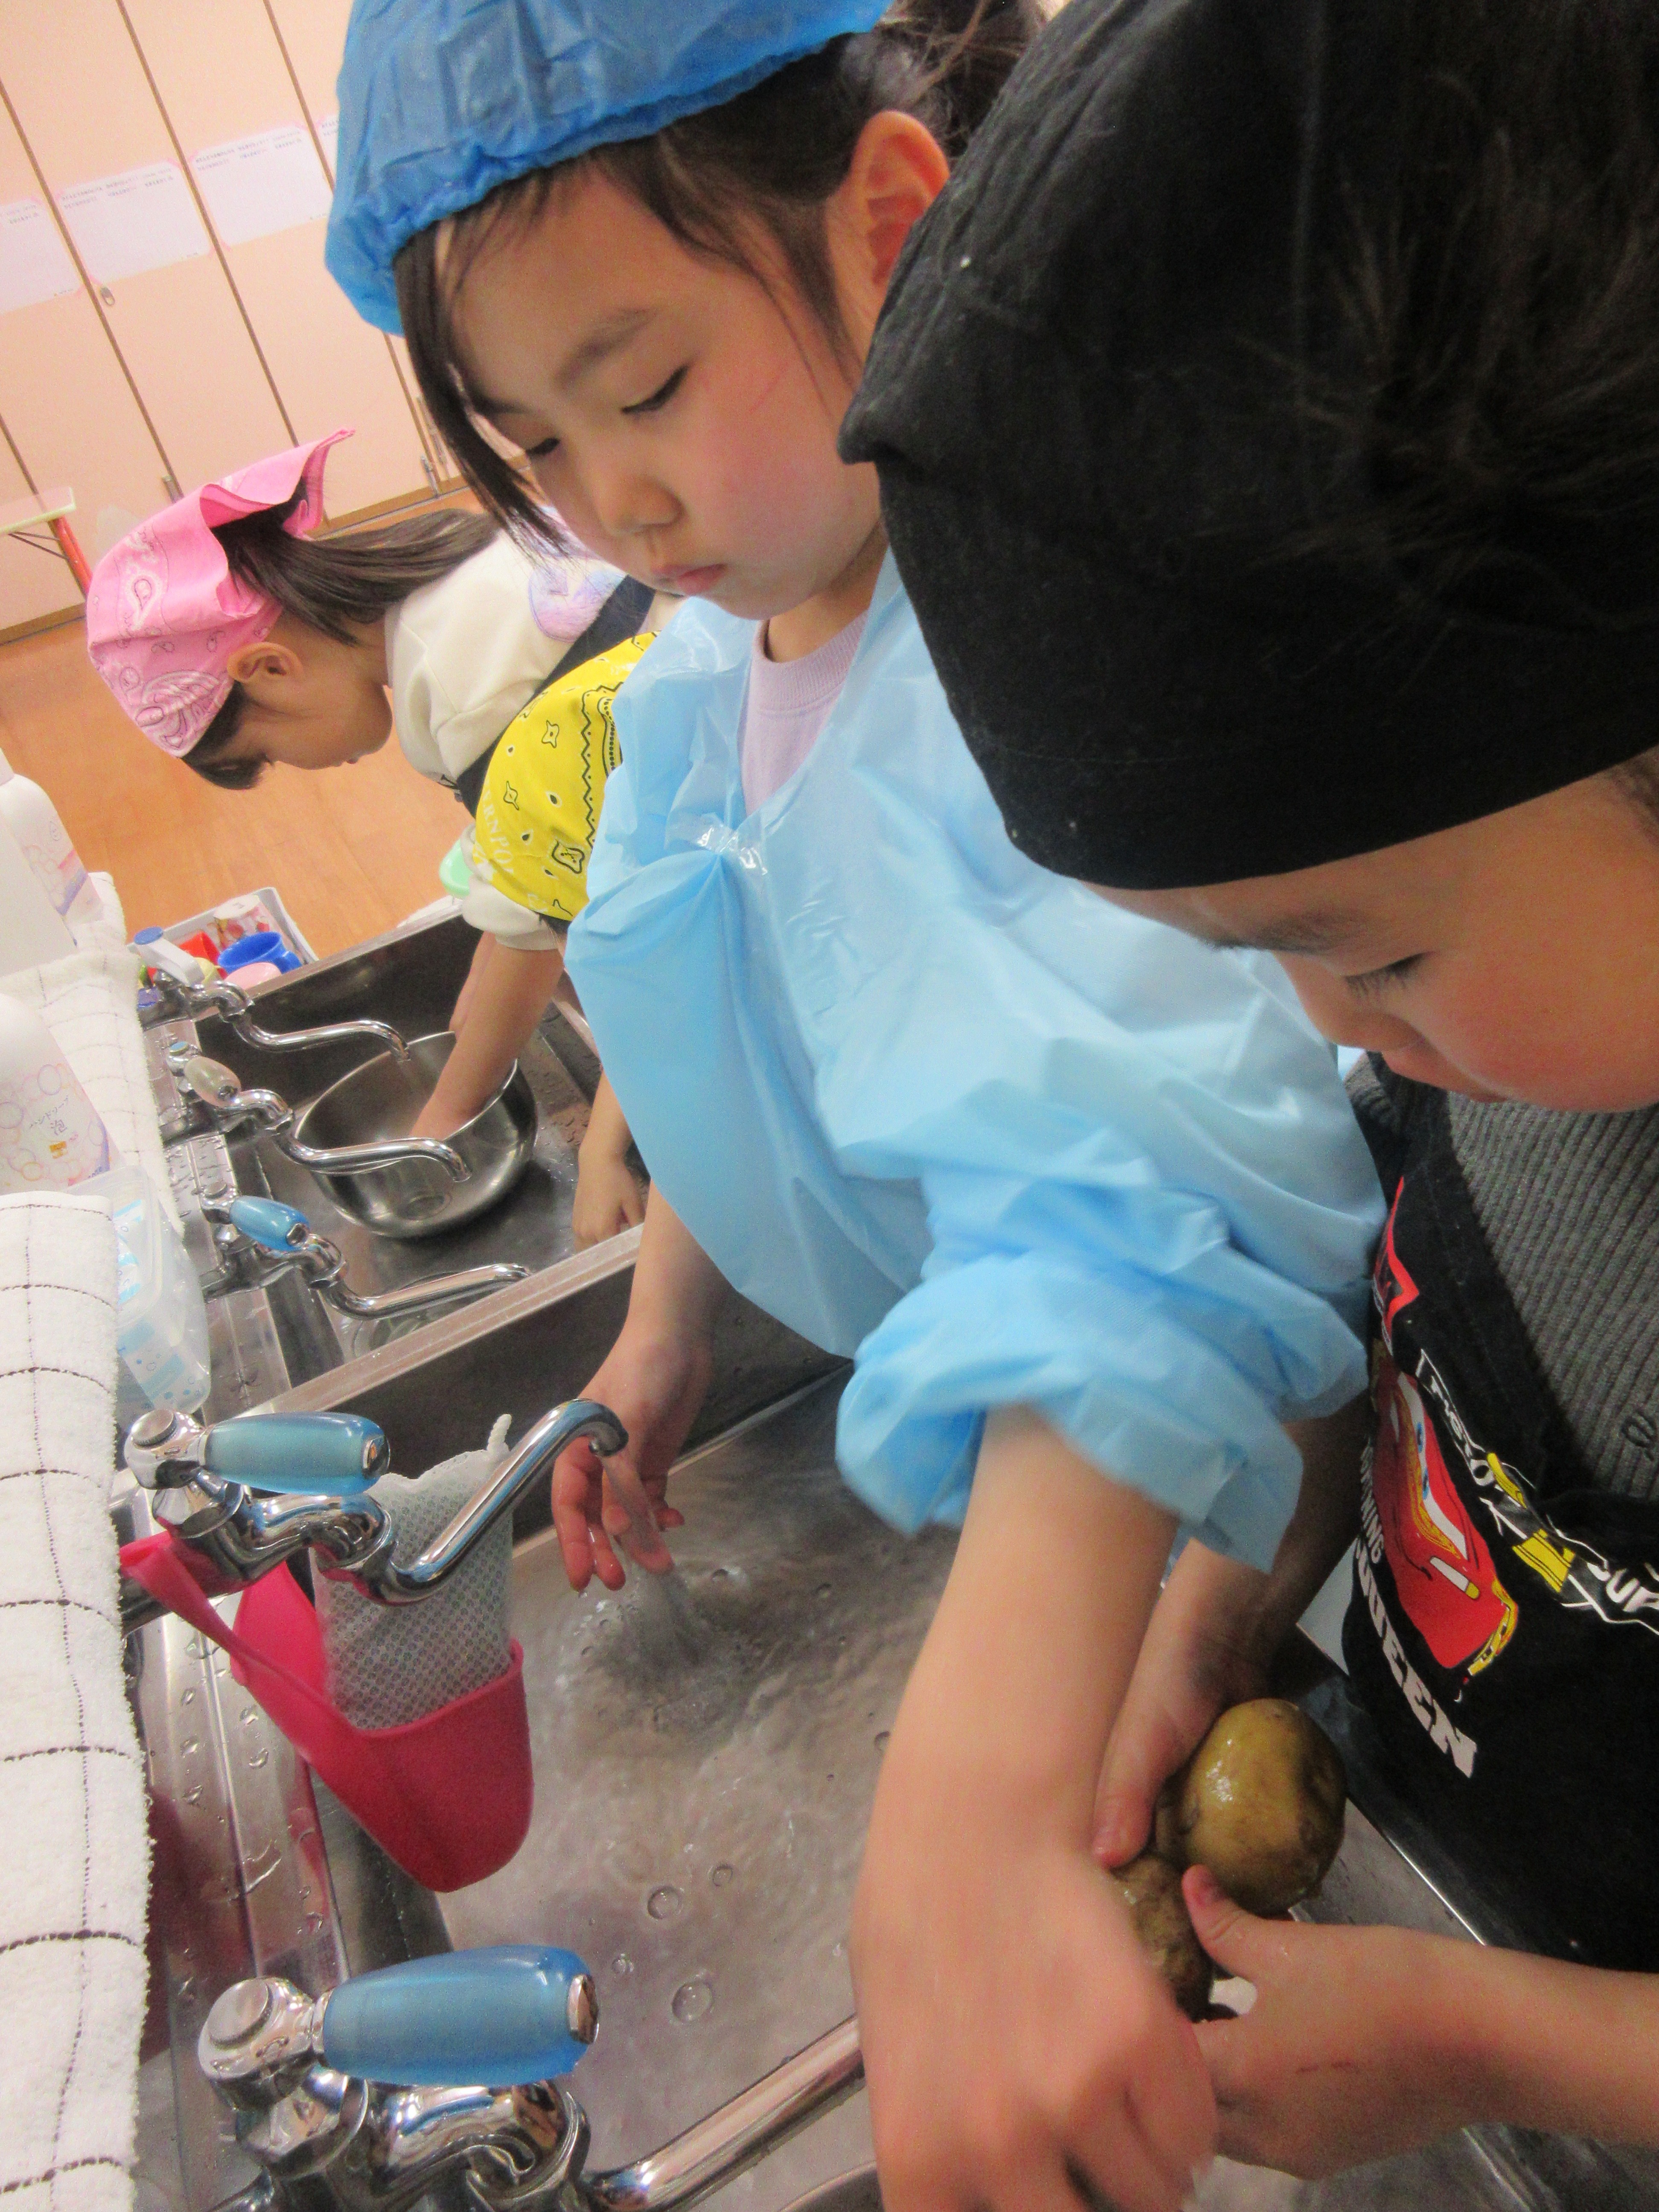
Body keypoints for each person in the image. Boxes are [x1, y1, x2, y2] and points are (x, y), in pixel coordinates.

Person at [325, 6, 1387, 2207]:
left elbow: (1146, 1205)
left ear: (890, 235)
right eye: (534, 440)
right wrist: (664, 1329)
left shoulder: (1036, 657)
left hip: (1203, 1437)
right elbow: (741, 1027)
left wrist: (977, 1787)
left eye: (646, 388)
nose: (607, 501)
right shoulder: (708, 653)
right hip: (999, 1424)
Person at [846, 0, 1659, 2175]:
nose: (1327, 1029)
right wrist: (1212, 1608)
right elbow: (1398, 1352)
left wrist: (1499, 2045)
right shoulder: (1510, 1032)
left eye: (1365, 946)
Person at [86, 431, 652, 1245]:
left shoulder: (467, 686)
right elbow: (520, 886)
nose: (302, 768)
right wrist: (460, 1040)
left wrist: (454, 1130)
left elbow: (558, 929)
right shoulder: (471, 571)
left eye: (269, 755)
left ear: (269, 668)